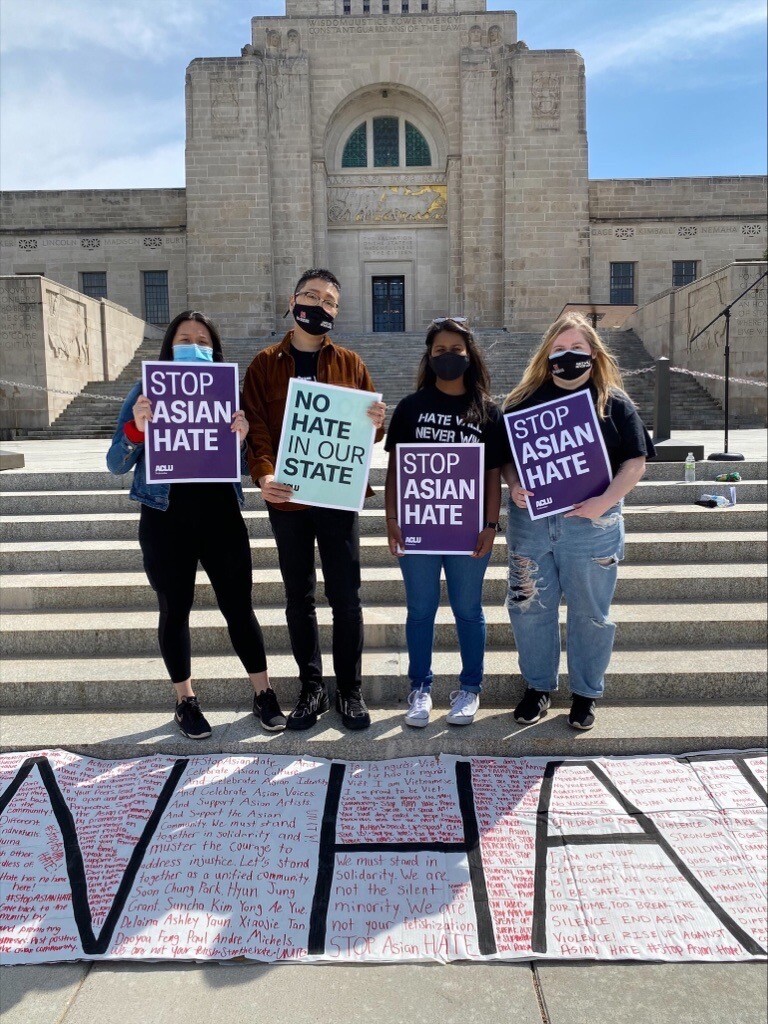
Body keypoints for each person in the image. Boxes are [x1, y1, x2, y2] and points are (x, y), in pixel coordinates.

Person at [106, 310, 284, 739]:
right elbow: (115, 463)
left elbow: (242, 466)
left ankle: (263, 694)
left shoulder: (228, 394)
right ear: (169, 346)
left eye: (203, 341)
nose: (195, 345)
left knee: (240, 607)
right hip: (165, 518)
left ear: (214, 349)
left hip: (221, 516)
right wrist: (138, 428)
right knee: (174, 610)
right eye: (185, 338)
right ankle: (185, 700)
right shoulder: (144, 392)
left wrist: (241, 441)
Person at [242, 269, 386, 731]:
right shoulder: (264, 364)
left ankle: (349, 689)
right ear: (293, 299)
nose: (320, 306)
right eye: (312, 296)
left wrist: (377, 420)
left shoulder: (350, 363)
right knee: (298, 596)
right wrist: (263, 476)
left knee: (346, 596)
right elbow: (258, 430)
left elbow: (363, 433)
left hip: (337, 497)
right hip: (286, 501)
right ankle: (311, 688)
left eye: (330, 302)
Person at [497, 312, 655, 731]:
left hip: (592, 526)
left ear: (594, 354)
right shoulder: (521, 402)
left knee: (590, 613)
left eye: (577, 349)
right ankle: (537, 687)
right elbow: (508, 460)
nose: (568, 356)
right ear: (547, 354)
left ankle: (585, 694)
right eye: (560, 349)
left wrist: (603, 502)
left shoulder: (613, 402)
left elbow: (635, 464)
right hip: (532, 524)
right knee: (529, 608)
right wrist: (514, 485)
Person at [384, 317, 503, 728]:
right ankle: (420, 688)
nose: (448, 357)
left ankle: (470, 689)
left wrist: (491, 525)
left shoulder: (487, 410)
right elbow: (395, 469)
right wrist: (391, 519)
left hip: (468, 528)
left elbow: (491, 474)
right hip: (419, 525)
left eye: (456, 350)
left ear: (470, 356)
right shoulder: (411, 407)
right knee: (420, 610)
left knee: (468, 610)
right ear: (429, 357)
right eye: (439, 351)